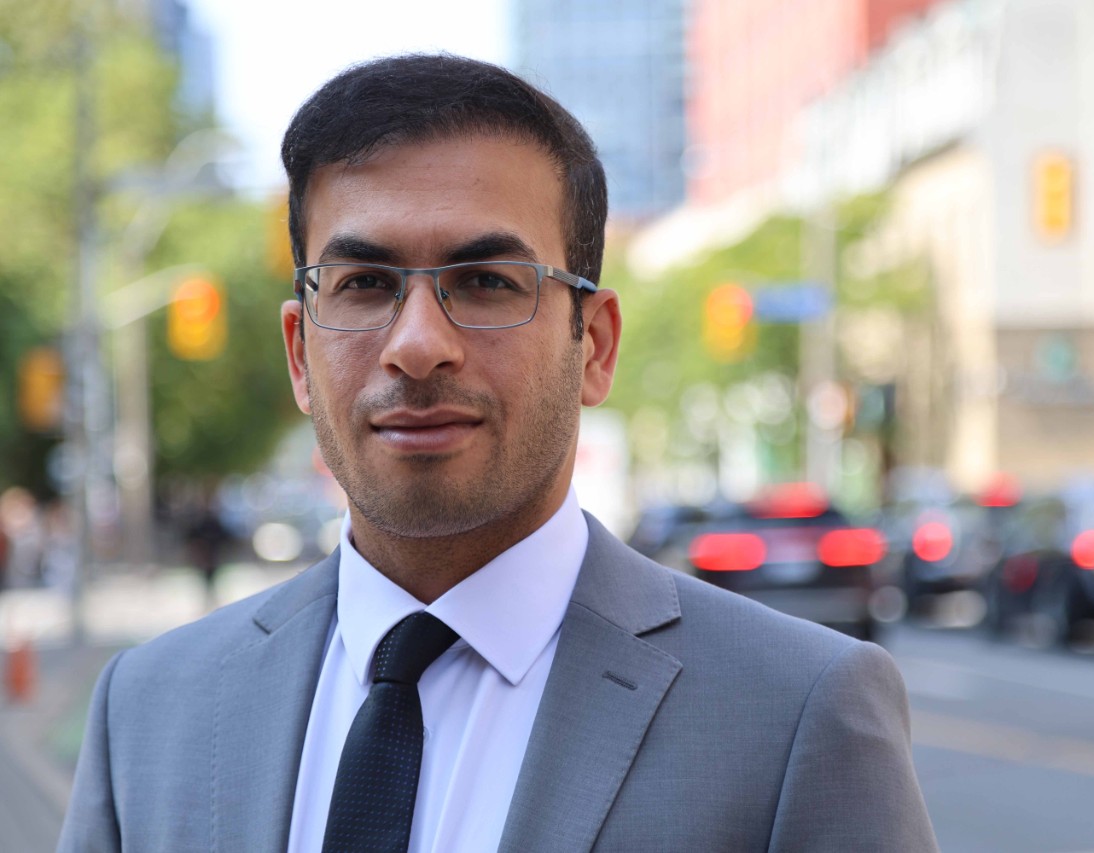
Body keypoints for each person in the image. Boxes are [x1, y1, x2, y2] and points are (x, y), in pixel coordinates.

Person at [59, 54, 938, 852]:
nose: (416, 343)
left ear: (592, 344)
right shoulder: (147, 709)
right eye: (365, 284)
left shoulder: (796, 713)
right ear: (300, 351)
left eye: (485, 282)